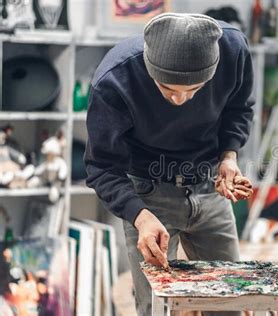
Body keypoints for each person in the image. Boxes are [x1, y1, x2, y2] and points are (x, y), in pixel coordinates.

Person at [84, 13, 254, 315]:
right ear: (149, 70)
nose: (180, 100)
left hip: (209, 189)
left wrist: (228, 157)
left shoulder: (234, 50)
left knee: (229, 301)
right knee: (155, 307)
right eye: (168, 90)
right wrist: (139, 215)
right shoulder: (115, 79)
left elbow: (239, 108)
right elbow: (102, 167)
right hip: (150, 197)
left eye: (194, 90)